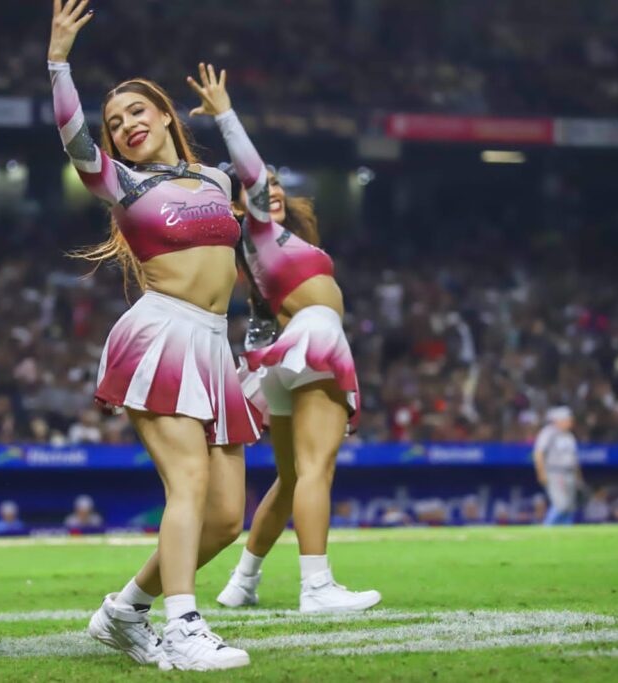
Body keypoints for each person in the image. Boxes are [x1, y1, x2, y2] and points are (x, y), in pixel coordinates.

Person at [49, 0, 259, 671]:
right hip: (160, 333)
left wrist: (225, 115)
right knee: (188, 486)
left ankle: (124, 610)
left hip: (214, 346)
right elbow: (75, 141)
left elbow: (256, 180)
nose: (125, 126)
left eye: (136, 112)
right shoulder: (125, 184)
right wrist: (58, 62)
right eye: (116, 123)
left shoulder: (217, 179)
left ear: (166, 114)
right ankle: (183, 626)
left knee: (227, 517)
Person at [204, 102, 380, 612]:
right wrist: (227, 115)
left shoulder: (268, 245)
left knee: (292, 479)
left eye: (279, 185)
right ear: (242, 206)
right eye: (263, 189)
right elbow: (251, 177)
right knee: (317, 470)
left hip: (282, 359)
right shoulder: (256, 230)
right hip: (314, 340)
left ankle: (242, 583)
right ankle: (318, 587)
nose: (271, 189)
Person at [533, 406, 584, 525]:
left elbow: (574, 459)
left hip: (570, 473)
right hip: (555, 472)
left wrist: (578, 477)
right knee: (561, 505)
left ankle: (566, 533)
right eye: (567, 419)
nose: (570, 422)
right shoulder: (549, 432)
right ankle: (546, 529)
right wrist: (541, 473)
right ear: (558, 420)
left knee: (570, 507)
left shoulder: (569, 436)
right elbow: (538, 453)